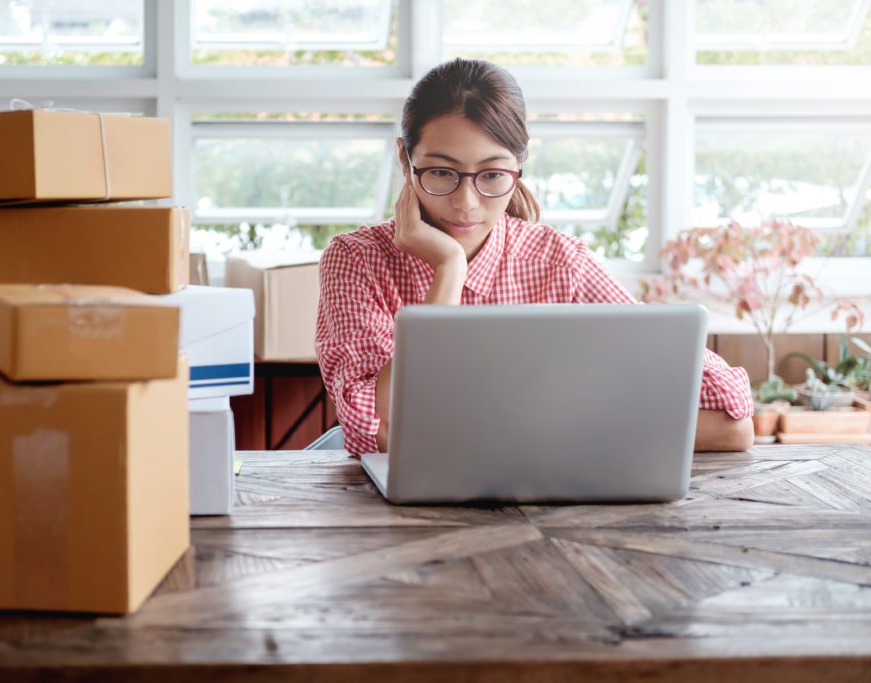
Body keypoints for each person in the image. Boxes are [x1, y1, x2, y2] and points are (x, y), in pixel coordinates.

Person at [315, 58, 755, 457]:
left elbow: (732, 423)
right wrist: (448, 268)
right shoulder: (356, 260)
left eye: (492, 175)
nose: (466, 203)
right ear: (404, 158)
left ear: (519, 166)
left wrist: (517, 431)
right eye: (442, 172)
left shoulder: (561, 263)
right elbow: (374, 426)